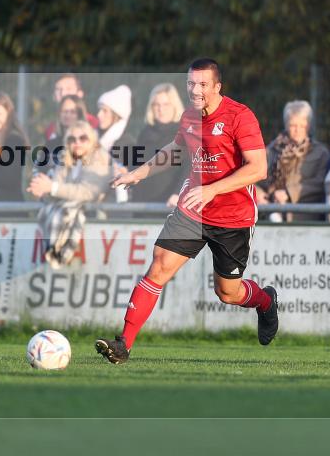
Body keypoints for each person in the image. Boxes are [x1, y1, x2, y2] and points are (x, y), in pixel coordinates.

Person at [95, 59, 276, 364]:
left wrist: (212, 189)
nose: (196, 90)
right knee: (158, 267)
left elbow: (258, 169)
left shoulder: (240, 116)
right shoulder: (189, 117)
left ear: (217, 87)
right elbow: (177, 150)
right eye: (191, 84)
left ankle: (266, 301)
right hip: (192, 210)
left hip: (233, 216)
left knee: (228, 293)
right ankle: (123, 343)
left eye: (203, 84)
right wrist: (138, 173)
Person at [28, 120, 113, 268]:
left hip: (97, 219)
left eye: (83, 138)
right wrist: (41, 188)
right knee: (48, 211)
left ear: (91, 140)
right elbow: (55, 187)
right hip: (71, 216)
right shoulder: (65, 157)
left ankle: (59, 253)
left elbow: (88, 192)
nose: (77, 142)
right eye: (72, 139)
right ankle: (56, 251)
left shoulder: (100, 156)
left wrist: (51, 187)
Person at [256, 100, 329, 222]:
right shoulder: (271, 150)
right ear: (286, 125)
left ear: (308, 126)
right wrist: (258, 194)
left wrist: (289, 193)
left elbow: (320, 182)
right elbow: (254, 177)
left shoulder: (320, 152)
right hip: (270, 216)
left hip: (305, 219)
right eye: (293, 125)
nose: (297, 130)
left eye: (302, 125)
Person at [130, 83, 186, 205]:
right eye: (156, 105)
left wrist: (178, 194)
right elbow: (135, 166)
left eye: (166, 104)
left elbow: (190, 170)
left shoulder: (185, 134)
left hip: (168, 206)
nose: (161, 109)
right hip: (141, 206)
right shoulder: (144, 134)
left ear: (175, 106)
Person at [40, 94, 89, 173]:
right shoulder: (51, 144)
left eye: (73, 112)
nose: (67, 115)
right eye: (64, 111)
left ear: (80, 115)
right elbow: (39, 170)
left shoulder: (87, 144)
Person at [43, 73, 99, 140]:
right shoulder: (51, 129)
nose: (63, 93)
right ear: (54, 96)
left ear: (80, 94)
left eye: (68, 89)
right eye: (58, 89)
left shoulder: (94, 124)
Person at [96, 84, 136, 170]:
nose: (99, 115)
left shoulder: (128, 145)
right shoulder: (92, 136)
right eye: (99, 110)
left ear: (116, 115)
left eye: (105, 111)